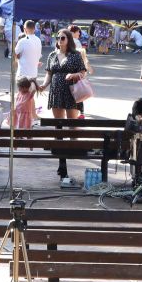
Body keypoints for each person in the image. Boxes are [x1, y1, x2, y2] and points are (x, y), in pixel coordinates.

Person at [45, 31, 87, 186]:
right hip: (56, 92)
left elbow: (83, 72)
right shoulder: (52, 55)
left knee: (72, 125)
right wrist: (43, 85)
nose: (59, 40)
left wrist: (74, 75)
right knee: (58, 127)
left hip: (71, 92)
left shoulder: (75, 55)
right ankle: (61, 162)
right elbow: (49, 74)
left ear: (68, 39)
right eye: (57, 38)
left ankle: (71, 152)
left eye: (62, 38)